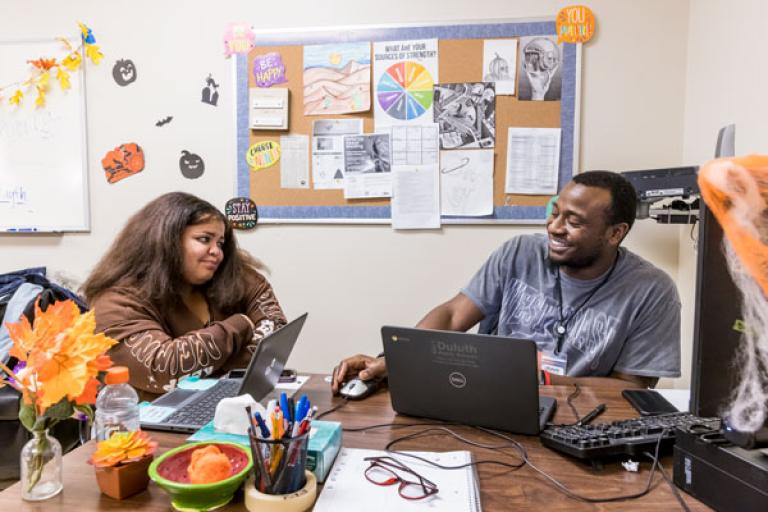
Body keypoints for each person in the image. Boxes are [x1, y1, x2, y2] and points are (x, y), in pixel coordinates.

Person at [332, 171, 681, 393]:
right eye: (554, 212)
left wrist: (544, 380)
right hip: (491, 397)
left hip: (581, 417)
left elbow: (632, 387)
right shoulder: (521, 252)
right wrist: (396, 358)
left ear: (615, 233)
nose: (555, 227)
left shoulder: (652, 291)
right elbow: (454, 315)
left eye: (573, 221)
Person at [82, 192, 286, 398]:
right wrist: (241, 324)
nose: (217, 252)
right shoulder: (115, 301)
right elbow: (164, 368)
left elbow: (276, 333)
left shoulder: (229, 274)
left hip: (227, 407)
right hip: (151, 425)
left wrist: (208, 364)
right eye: (204, 239)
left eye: (220, 243)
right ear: (165, 241)